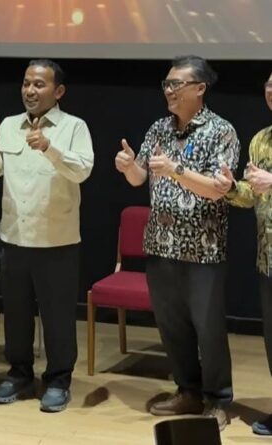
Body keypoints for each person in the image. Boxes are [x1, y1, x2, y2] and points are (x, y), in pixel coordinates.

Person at [115, 55, 239, 430]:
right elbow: (139, 178)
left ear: (199, 88)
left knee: (208, 328)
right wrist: (129, 166)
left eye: (176, 84)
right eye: (166, 84)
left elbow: (218, 190)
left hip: (204, 248)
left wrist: (176, 170)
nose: (169, 90)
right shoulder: (158, 129)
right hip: (161, 244)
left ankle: (218, 399)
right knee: (172, 326)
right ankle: (188, 391)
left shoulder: (222, 131)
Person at [0, 59, 93, 412]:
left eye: (39, 84)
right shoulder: (9, 125)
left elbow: (83, 171)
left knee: (58, 316)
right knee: (15, 314)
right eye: (26, 83)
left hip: (56, 240)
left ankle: (58, 379)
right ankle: (19, 374)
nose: (30, 90)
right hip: (13, 237)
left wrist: (49, 147)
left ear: (58, 91)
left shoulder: (74, 126)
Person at [216, 72, 272, 435]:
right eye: (269, 85)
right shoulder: (261, 140)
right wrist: (231, 188)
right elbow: (254, 194)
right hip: (268, 259)